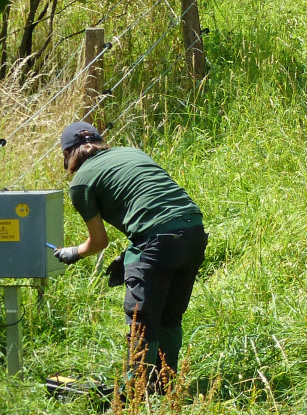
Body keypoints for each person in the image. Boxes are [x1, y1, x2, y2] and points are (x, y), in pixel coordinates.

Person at [53, 121, 206, 392]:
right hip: (193, 231)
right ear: (100, 142)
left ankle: (135, 395)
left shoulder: (81, 183)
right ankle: (165, 387)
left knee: (141, 321)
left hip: (157, 241)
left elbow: (98, 242)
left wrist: (72, 253)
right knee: (170, 317)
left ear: (67, 155)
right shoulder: (131, 152)